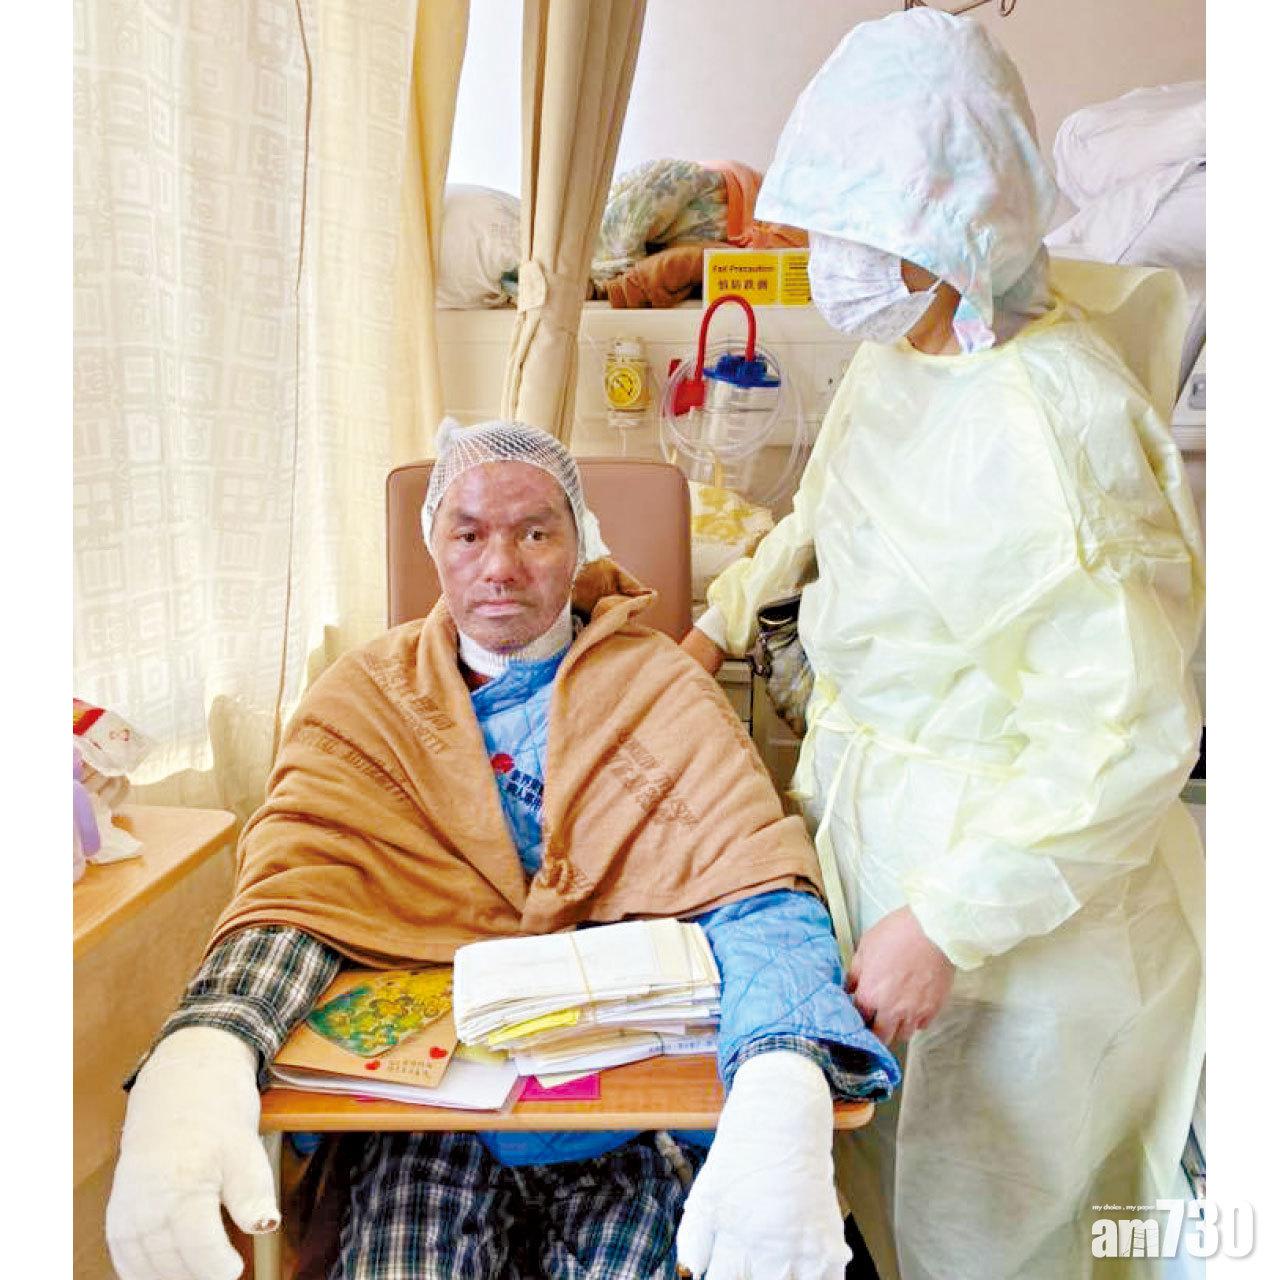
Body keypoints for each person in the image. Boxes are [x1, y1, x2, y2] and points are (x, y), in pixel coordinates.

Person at [105, 417, 899, 1280]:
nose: (501, 567)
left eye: (534, 533)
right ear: (433, 545)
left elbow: (761, 894)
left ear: (579, 542)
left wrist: (782, 1085)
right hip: (424, 1128)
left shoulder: (662, 690)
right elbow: (297, 893)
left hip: (623, 1127)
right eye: (469, 534)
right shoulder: (364, 701)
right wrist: (209, 1045)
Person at [681, 10, 1205, 1280]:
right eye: (823, 227)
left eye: (857, 234)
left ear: (951, 228)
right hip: (877, 837)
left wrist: (950, 921)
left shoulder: (1058, 419)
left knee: (1002, 1233)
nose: (828, 264)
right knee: (884, 1196)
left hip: (1024, 923)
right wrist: (713, 621)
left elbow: (1124, 733)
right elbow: (821, 513)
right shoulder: (900, 353)